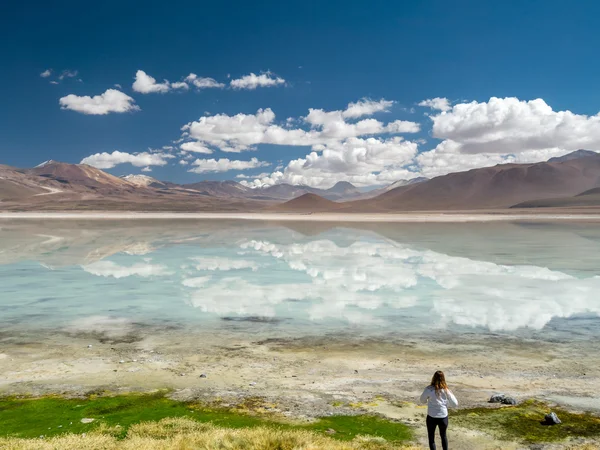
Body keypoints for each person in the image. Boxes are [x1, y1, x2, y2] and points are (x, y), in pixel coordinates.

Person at [419, 370, 458, 450]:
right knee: (443, 436)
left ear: (433, 378)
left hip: (431, 417)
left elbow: (422, 400)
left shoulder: (429, 389)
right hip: (443, 417)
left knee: (431, 437)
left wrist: (429, 400)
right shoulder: (446, 390)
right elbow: (455, 404)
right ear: (443, 379)